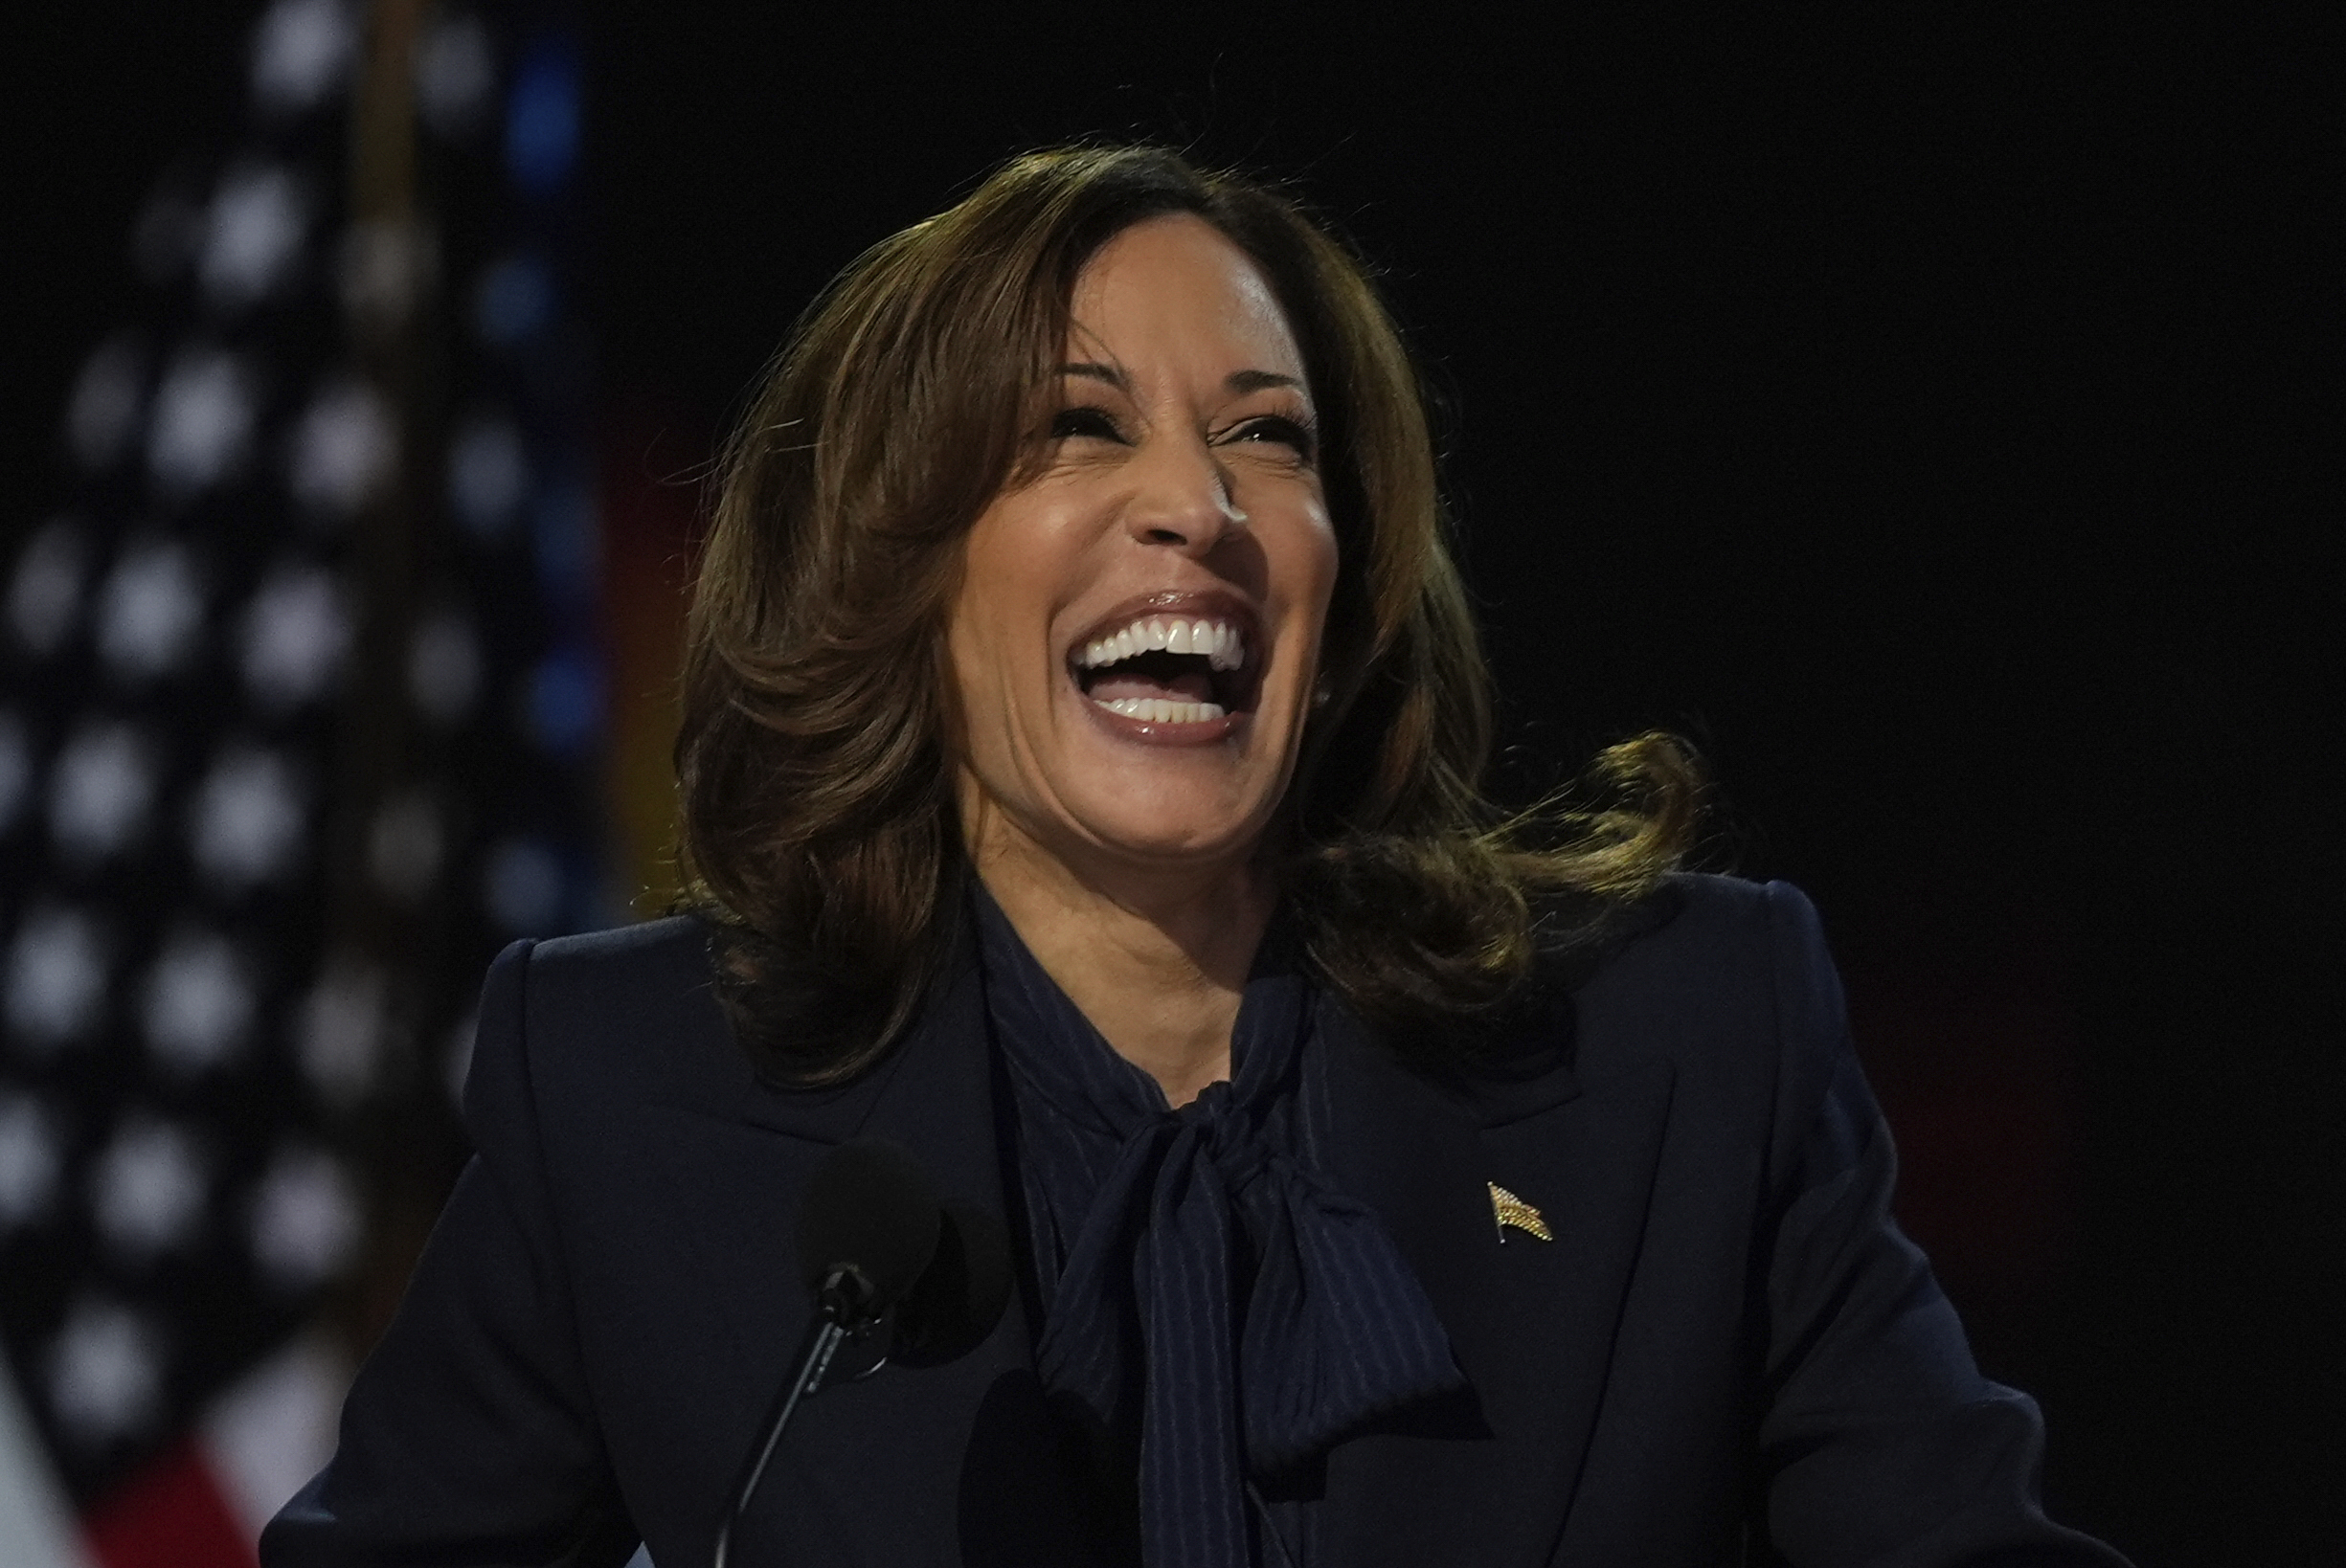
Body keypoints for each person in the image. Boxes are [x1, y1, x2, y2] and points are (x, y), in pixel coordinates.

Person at [262, 146, 2129, 1567]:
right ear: (903, 573)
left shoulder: (1682, 1052)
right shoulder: (635, 1095)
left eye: (1269, 438)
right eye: (1078, 430)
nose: (1200, 506)